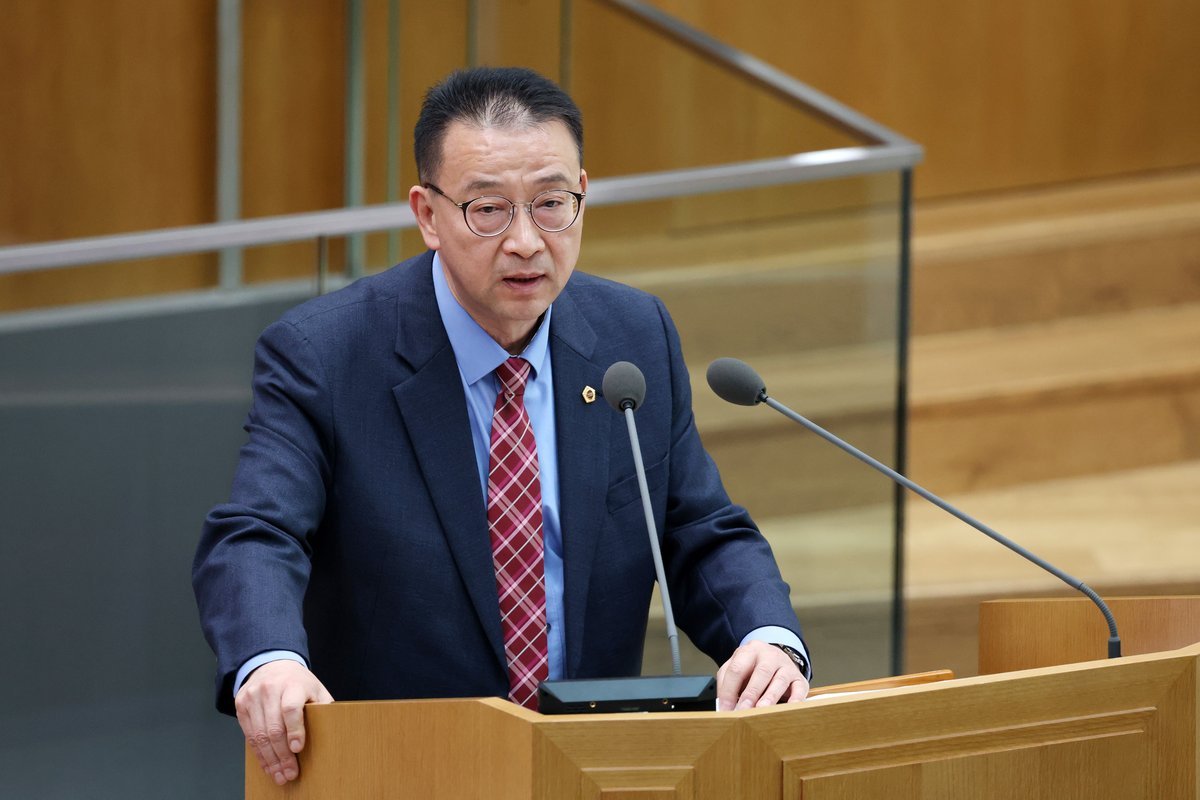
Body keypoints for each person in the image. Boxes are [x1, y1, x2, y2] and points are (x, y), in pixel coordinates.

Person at [193, 66, 810, 787]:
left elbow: (700, 530)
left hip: (592, 771)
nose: (525, 241)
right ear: (428, 214)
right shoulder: (326, 354)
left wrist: (768, 636)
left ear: (583, 193)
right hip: (402, 770)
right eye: (488, 210)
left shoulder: (632, 336)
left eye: (552, 204)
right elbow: (255, 535)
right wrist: (270, 659)